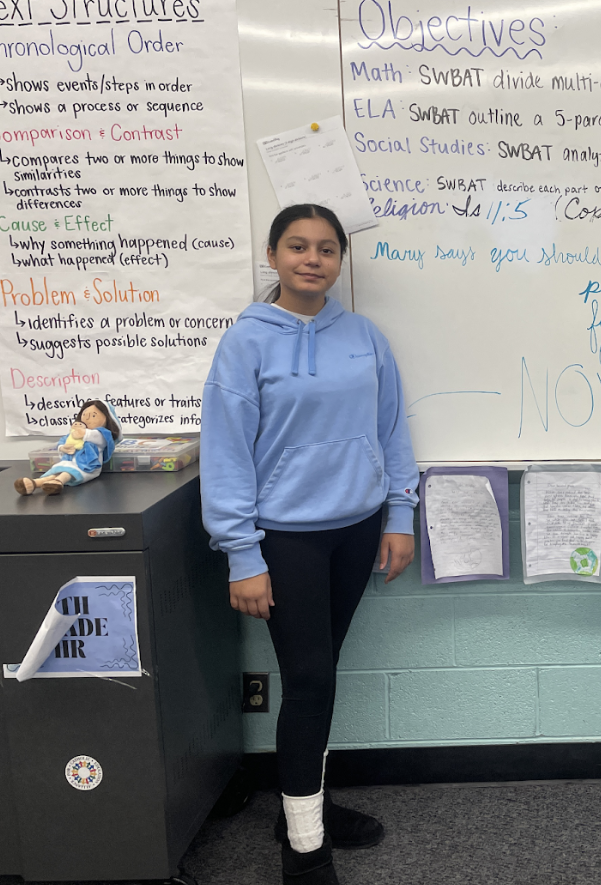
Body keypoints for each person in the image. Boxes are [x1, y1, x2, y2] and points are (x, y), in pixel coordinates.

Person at [201, 204, 419, 885]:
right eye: (298, 246)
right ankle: (304, 850)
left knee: (318, 682)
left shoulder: (364, 336)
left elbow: (392, 430)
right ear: (273, 256)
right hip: (285, 539)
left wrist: (400, 514)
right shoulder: (246, 342)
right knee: (310, 680)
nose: (312, 259)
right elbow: (227, 451)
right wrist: (242, 553)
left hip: (355, 530)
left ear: (339, 261)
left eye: (327, 249)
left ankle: (303, 808)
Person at [15, 399, 120, 495]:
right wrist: (62, 448)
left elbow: (100, 439)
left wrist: (84, 434)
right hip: (70, 460)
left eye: (93, 416)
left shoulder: (102, 434)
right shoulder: (73, 432)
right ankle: (35, 483)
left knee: (67, 472)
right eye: (85, 415)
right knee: (57, 470)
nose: (87, 419)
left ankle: (59, 481)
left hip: (88, 465)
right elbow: (62, 442)